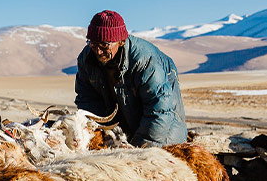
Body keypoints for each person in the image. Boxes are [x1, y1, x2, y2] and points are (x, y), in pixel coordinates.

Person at [74, 10, 186, 147]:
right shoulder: (86, 59)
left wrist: (139, 149)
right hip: (124, 121)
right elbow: (87, 101)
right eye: (92, 43)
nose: (97, 51)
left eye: (104, 45)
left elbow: (160, 109)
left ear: (121, 42)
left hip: (164, 126)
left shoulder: (145, 61)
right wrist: (107, 135)